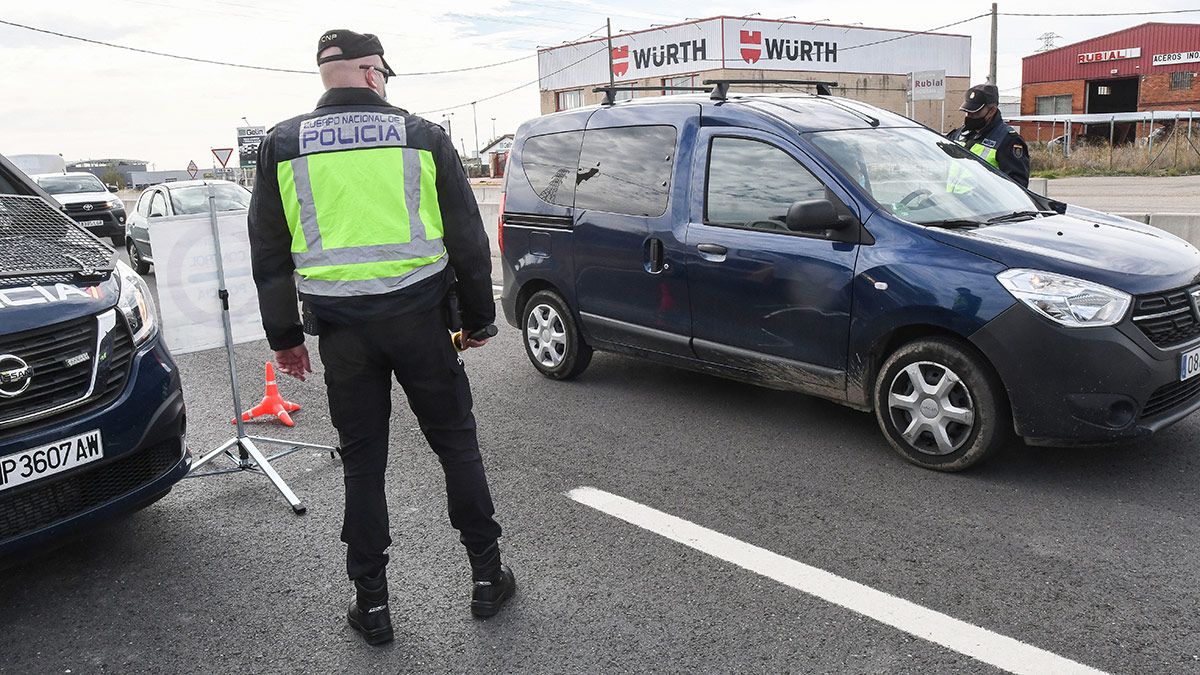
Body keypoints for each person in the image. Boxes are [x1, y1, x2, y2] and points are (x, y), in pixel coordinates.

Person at [247, 28, 515, 646]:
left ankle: (372, 606)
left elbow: (269, 252)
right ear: (372, 73)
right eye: (385, 74)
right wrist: (477, 319)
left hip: (342, 335)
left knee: (363, 467)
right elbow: (468, 241)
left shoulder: (282, 144)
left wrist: (285, 337)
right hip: (423, 323)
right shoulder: (422, 134)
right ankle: (485, 577)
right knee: (456, 448)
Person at [946, 84, 1030, 188]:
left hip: (984, 203)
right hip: (953, 202)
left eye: (975, 112)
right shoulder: (957, 134)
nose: (969, 116)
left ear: (992, 111)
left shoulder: (1008, 140)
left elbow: (1017, 186)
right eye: (967, 112)